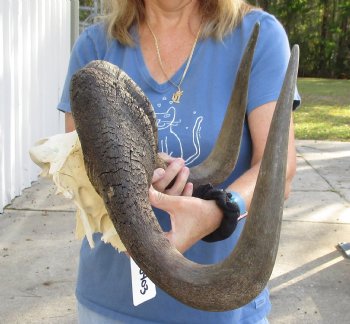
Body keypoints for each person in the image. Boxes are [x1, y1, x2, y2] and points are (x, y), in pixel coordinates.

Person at [58, 0, 300, 323]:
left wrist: (221, 210)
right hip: (108, 307)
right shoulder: (95, 44)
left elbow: (277, 169)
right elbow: (81, 168)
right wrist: (138, 170)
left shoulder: (258, 34)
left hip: (221, 313)